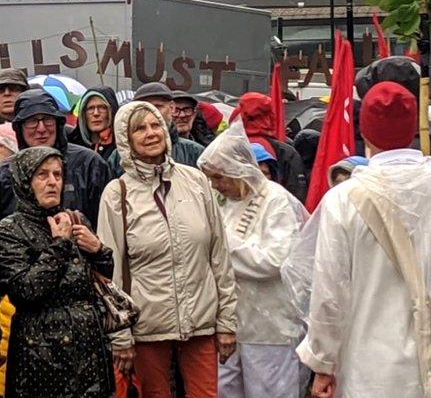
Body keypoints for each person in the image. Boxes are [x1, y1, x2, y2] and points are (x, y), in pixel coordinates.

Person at [298, 82, 431, 398]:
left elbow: (328, 292)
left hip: (371, 370)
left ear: (365, 132)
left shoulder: (343, 200)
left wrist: (322, 362)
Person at [96, 101, 238, 398]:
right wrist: (120, 334)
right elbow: (109, 271)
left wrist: (226, 322)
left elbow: (219, 256)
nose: (150, 133)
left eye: (156, 125)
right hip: (147, 325)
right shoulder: (116, 193)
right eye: (139, 128)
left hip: (201, 319)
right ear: (126, 138)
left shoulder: (197, 181)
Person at [0, 146, 115, 398]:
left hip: (89, 350)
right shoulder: (9, 230)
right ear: (25, 181)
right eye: (42, 175)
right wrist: (59, 245)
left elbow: (101, 279)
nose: (52, 182)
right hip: (41, 357)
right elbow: (25, 290)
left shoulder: (74, 219)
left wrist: (99, 250)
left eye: (57, 175)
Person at [198, 124, 307, 398]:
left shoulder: (277, 201)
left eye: (219, 178)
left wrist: (222, 245)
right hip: (229, 324)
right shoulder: (222, 200)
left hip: (270, 328)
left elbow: (275, 260)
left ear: (237, 170)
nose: (215, 185)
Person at [0, 89, 111, 242]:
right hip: (20, 263)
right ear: (19, 128)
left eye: (47, 119)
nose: (41, 129)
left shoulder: (89, 163)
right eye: (32, 121)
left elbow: (107, 227)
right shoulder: (6, 172)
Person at [232, 93, 306, 203]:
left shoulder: (226, 148)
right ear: (270, 116)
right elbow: (296, 194)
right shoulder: (286, 151)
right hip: (276, 211)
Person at [69, 86, 120, 161]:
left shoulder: (121, 148)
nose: (96, 113)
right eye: (90, 108)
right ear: (83, 114)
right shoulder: (71, 147)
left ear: (111, 112)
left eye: (102, 107)